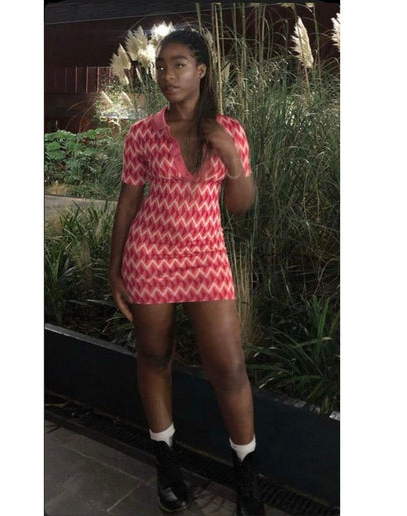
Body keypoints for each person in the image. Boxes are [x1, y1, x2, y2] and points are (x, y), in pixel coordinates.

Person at [109, 28, 265, 515]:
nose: (167, 74)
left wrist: (230, 155)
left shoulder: (228, 129)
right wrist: (115, 269)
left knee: (229, 368)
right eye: (161, 65)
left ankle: (247, 478)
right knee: (155, 358)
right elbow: (128, 202)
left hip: (206, 257)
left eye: (178, 64)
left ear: (201, 71)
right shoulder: (143, 133)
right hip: (150, 255)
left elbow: (240, 206)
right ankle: (167, 466)